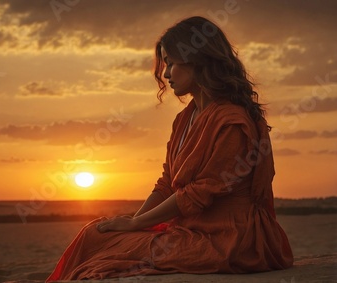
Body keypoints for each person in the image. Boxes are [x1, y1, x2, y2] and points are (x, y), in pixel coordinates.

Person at [46, 16, 293, 282]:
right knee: (95, 233)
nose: (165, 74)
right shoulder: (184, 119)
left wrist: (136, 225)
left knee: (109, 250)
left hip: (229, 238)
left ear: (199, 60)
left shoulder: (231, 121)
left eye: (172, 63)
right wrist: (132, 224)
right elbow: (167, 184)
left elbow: (198, 194)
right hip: (191, 229)